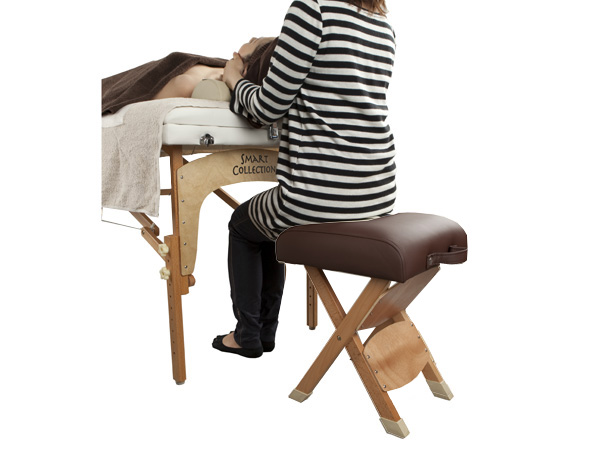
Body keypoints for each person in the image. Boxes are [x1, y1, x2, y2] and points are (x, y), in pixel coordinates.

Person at [214, 0, 396, 358]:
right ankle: (264, 332)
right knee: (265, 223)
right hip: (377, 193)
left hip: (321, 196)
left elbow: (267, 108)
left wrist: (233, 76)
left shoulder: (312, 9)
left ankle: (249, 334)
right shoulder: (382, 25)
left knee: (243, 225)